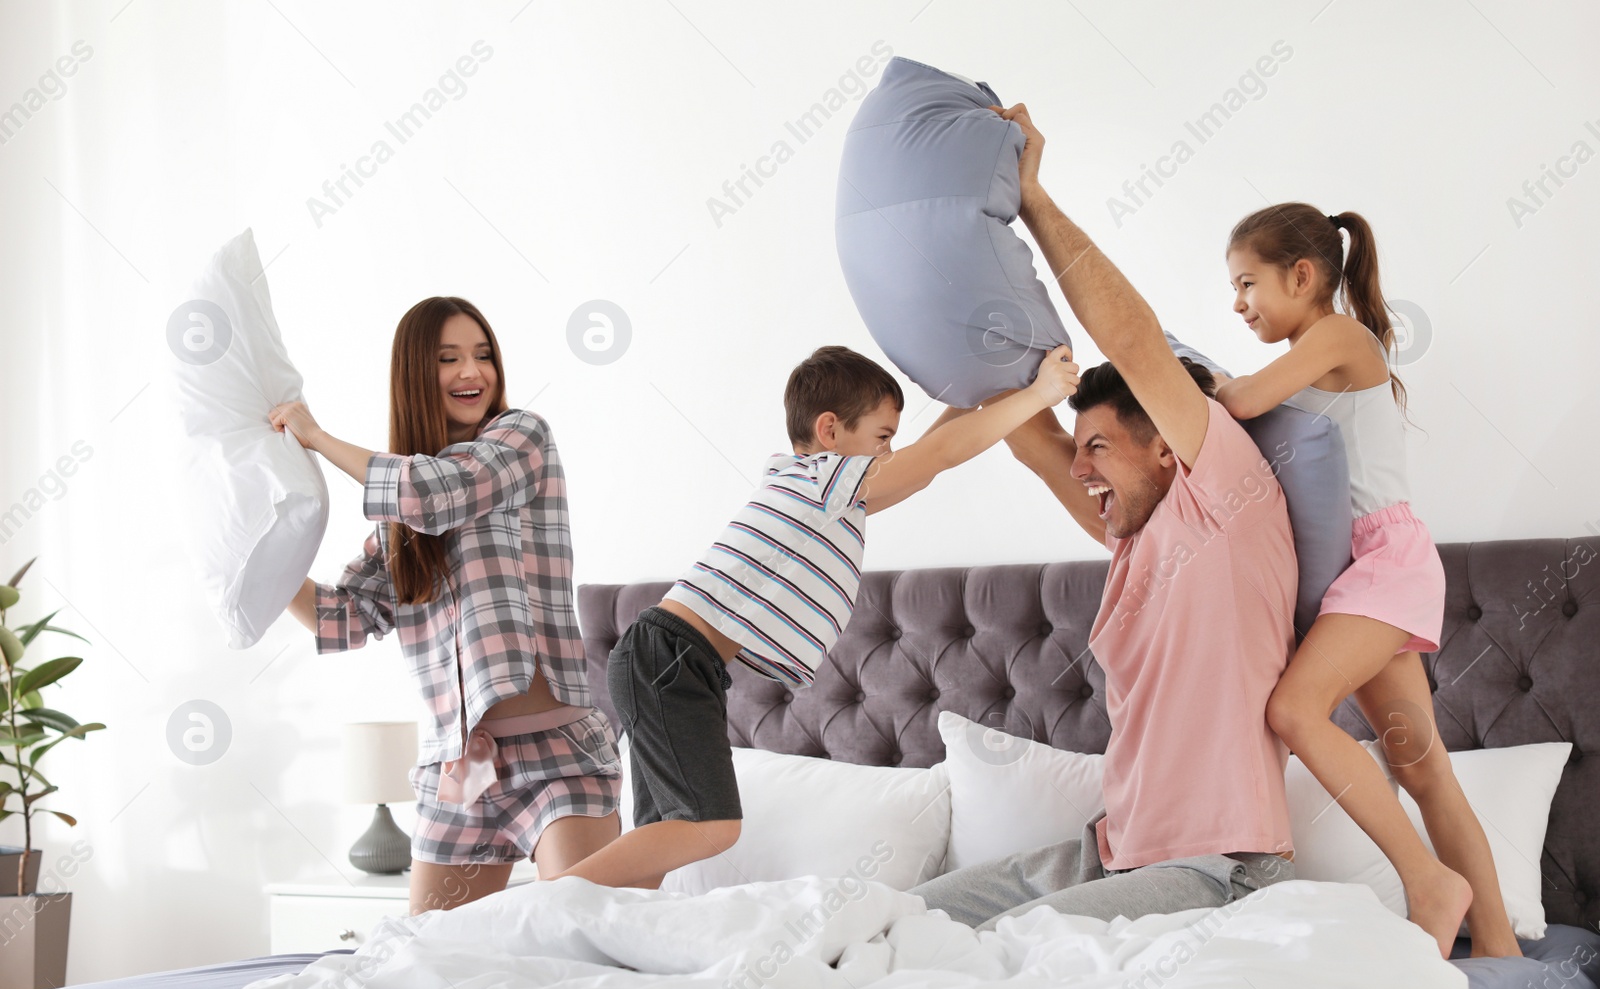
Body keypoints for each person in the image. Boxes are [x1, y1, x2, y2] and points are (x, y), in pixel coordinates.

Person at [910, 103, 1300, 931]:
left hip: (1217, 867)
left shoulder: (1224, 497)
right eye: (1080, 451)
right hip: (1109, 849)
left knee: (1005, 951)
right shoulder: (1129, 534)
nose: (1079, 467)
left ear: (1168, 447)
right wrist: (958, 263)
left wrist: (1033, 200)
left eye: (1100, 447)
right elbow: (1029, 436)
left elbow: (1128, 340)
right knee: (892, 919)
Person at [552, 344, 1081, 890]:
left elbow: (928, 458)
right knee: (708, 827)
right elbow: (939, 456)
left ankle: (593, 927)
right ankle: (550, 902)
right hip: (673, 661)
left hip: (666, 659)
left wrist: (974, 395)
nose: (889, 453)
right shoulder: (828, 481)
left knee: (662, 841)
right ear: (830, 431)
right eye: (882, 437)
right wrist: (1038, 394)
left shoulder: (814, 484)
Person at [1215, 204, 1519, 958]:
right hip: (1357, 575)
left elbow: (1244, 401)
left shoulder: (1338, 334)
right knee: (1421, 765)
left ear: (1304, 274)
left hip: (1382, 561)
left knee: (1293, 709)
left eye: (1248, 283)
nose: (1238, 302)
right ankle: (1503, 951)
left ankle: (1429, 881)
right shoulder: (1312, 353)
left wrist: (1200, 379)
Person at [272, 296, 622, 915]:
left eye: (483, 356)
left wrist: (318, 439)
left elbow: (434, 492)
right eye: (449, 358)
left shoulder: (520, 440)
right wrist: (260, 564)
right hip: (458, 769)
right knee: (423, 964)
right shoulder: (397, 524)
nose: (472, 373)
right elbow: (344, 618)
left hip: (559, 756)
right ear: (415, 375)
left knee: (582, 939)